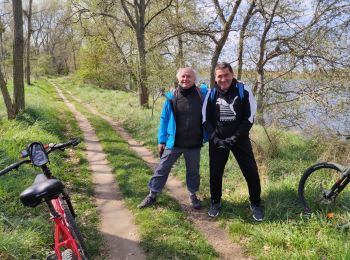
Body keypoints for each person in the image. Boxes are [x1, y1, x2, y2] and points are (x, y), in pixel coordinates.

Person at [138, 67, 208, 210]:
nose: (185, 79)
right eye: (183, 76)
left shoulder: (202, 94)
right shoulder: (172, 97)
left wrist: (236, 82)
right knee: (162, 168)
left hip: (194, 143)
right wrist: (161, 140)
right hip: (173, 142)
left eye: (189, 76)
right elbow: (164, 119)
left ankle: (193, 194)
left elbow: (219, 89)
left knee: (193, 171)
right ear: (178, 78)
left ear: (194, 79)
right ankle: (152, 194)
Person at [203, 62, 263, 221]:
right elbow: (205, 119)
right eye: (219, 76)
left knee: (251, 171)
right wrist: (215, 138)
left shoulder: (244, 90)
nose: (223, 79)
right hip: (218, 140)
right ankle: (215, 202)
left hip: (240, 139)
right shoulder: (211, 93)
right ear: (215, 78)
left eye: (226, 75)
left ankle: (256, 203)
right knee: (215, 173)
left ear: (232, 74)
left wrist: (235, 138)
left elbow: (249, 117)